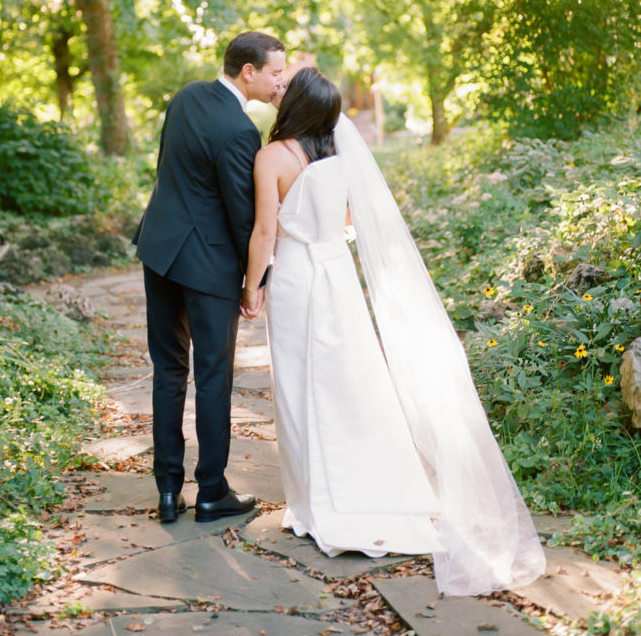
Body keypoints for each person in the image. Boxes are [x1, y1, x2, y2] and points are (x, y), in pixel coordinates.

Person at [241, 68, 546, 596]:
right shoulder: (338, 157)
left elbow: (266, 229)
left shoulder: (272, 157)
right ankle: (371, 484)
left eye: (284, 88)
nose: (277, 90)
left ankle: (317, 502)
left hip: (295, 276)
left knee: (297, 384)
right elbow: (353, 219)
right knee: (350, 383)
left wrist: (252, 286)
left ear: (294, 106)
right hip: (336, 275)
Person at [133, 30, 286, 524]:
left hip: (160, 252)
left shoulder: (185, 97)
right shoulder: (241, 132)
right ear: (249, 71)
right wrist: (254, 281)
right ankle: (213, 491)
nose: (279, 81)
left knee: (170, 371)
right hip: (209, 265)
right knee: (214, 376)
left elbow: (169, 171)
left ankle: (168, 489)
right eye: (275, 72)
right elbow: (245, 216)